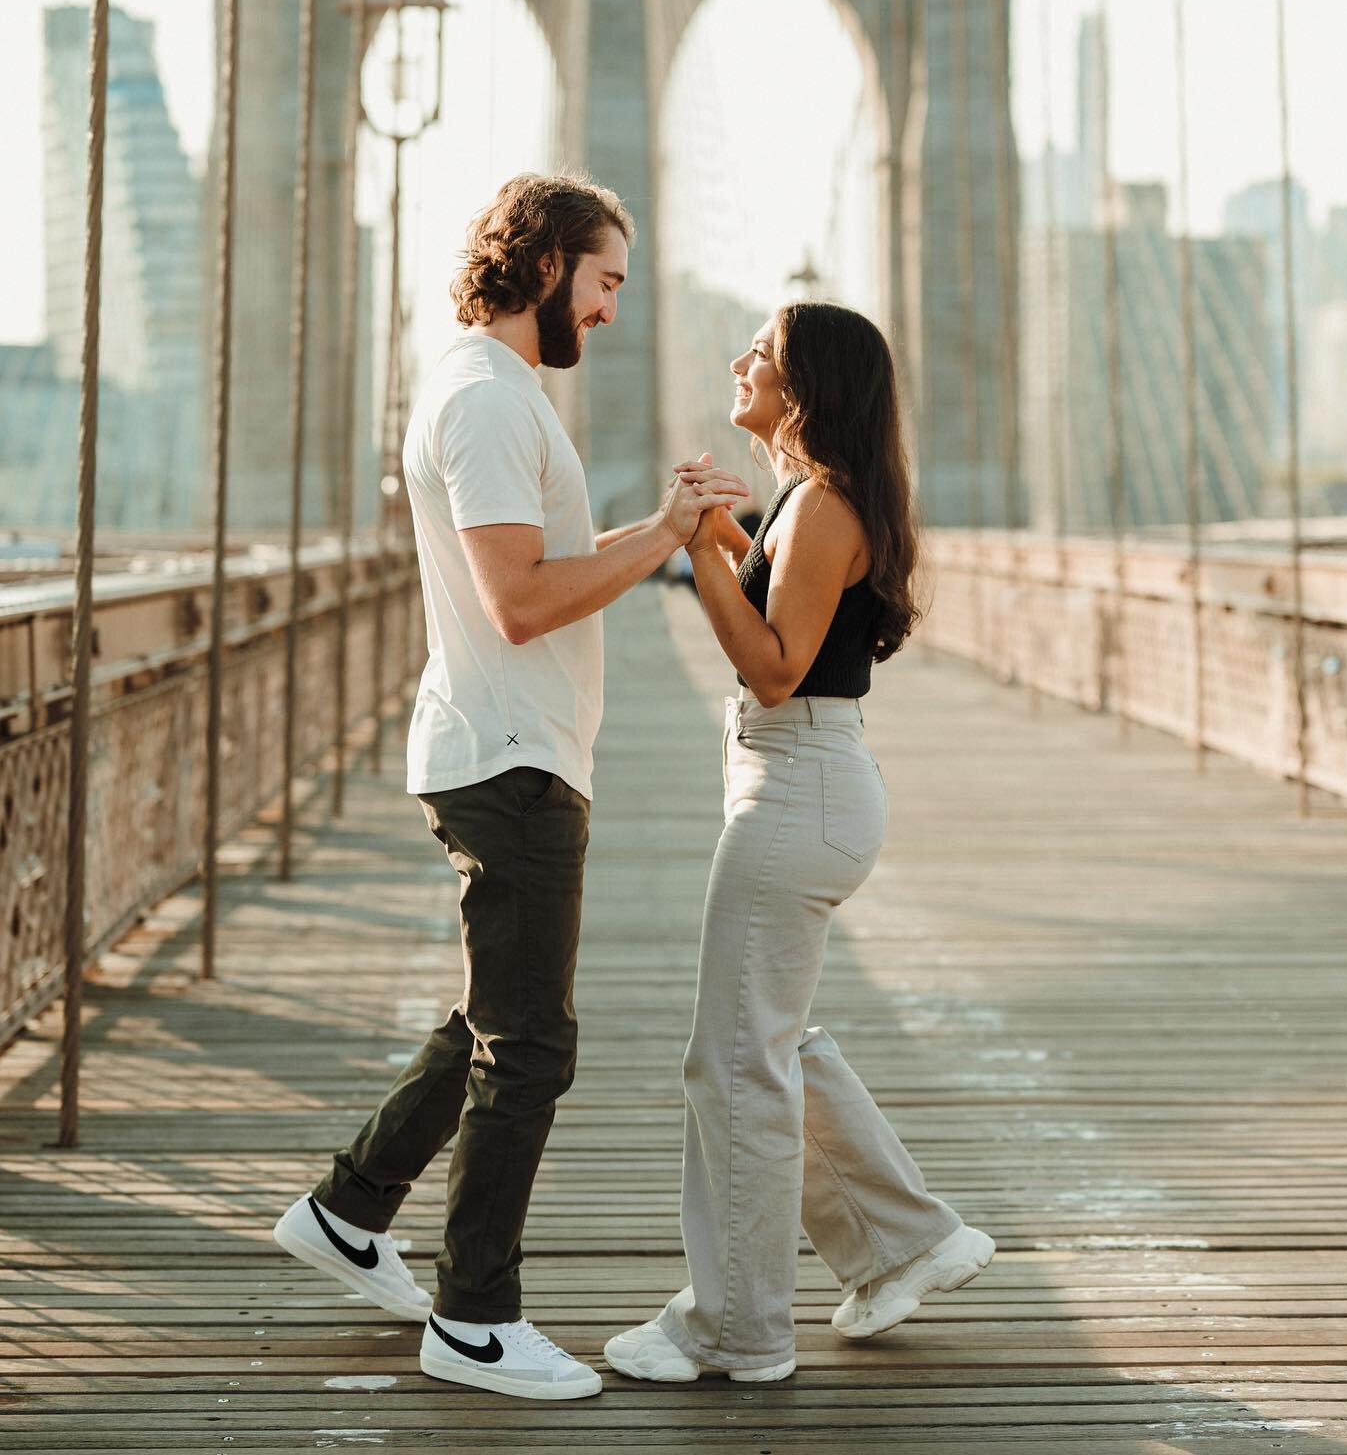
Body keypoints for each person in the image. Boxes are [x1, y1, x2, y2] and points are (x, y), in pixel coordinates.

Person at [272, 172, 744, 1403]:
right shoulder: (485, 403)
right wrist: (665, 536)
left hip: (511, 748)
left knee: (494, 1015)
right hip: (508, 759)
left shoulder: (497, 393)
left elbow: (535, 577)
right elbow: (520, 600)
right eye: (604, 281)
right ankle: (474, 1319)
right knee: (530, 1046)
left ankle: (347, 1211)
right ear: (542, 266)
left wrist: (660, 526)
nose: (612, 311)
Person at [604, 300, 994, 1385]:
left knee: (734, 1062)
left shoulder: (823, 506)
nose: (738, 363)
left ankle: (739, 1328)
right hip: (804, 782)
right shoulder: (805, 501)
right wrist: (723, 533)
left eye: (761, 356)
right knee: (770, 1043)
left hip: (798, 785)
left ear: (806, 388)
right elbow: (788, 606)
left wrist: (697, 556)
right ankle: (909, 1241)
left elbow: (774, 664)